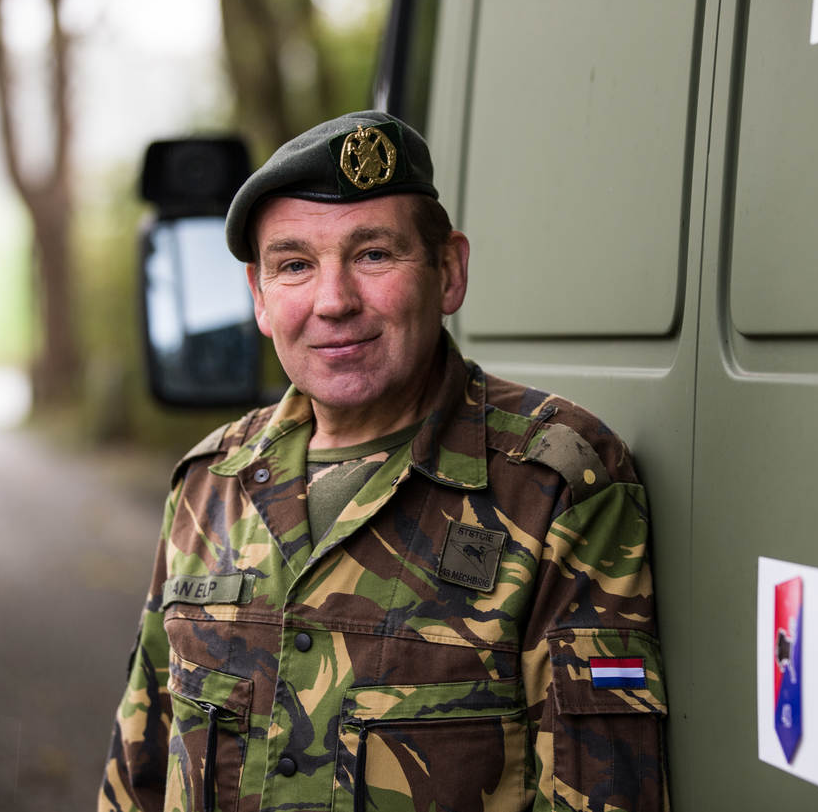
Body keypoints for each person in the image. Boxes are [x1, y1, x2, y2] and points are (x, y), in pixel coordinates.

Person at [99, 111, 668, 812]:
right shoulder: (208, 486)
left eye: (372, 255)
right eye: (295, 265)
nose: (333, 301)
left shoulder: (555, 486)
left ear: (449, 272)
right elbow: (137, 777)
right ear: (259, 298)